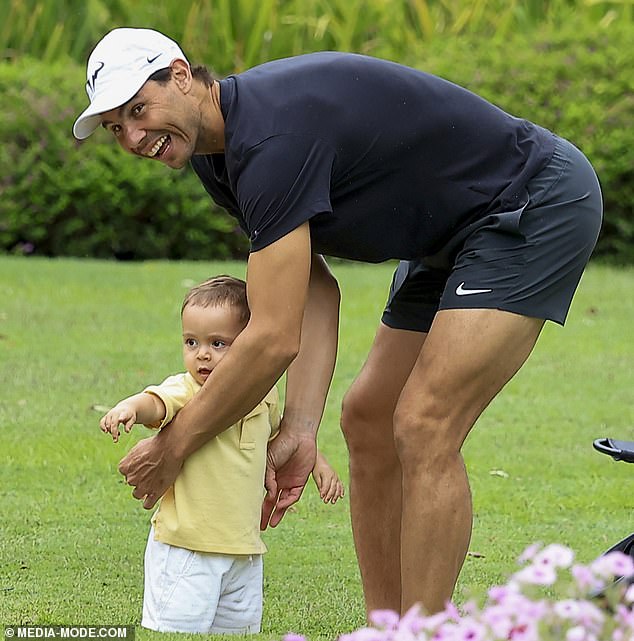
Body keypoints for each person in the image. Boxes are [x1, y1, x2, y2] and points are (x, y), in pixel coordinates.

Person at [75, 28, 603, 615]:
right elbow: (312, 287)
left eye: (138, 110)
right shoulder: (218, 157)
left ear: (180, 75)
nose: (133, 136)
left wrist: (174, 445)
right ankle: (387, 627)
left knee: (425, 423)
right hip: (445, 236)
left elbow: (273, 336)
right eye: (116, 127)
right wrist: (300, 429)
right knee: (369, 417)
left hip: (530, 201)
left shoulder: (270, 138)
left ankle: (427, 633)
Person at [99, 275, 344, 634]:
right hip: (187, 548)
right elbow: (156, 402)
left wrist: (320, 467)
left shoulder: (264, 395)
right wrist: (130, 408)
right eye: (191, 342)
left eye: (218, 343)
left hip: (243, 550)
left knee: (237, 633)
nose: (202, 354)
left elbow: (284, 434)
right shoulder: (188, 389)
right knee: (178, 632)